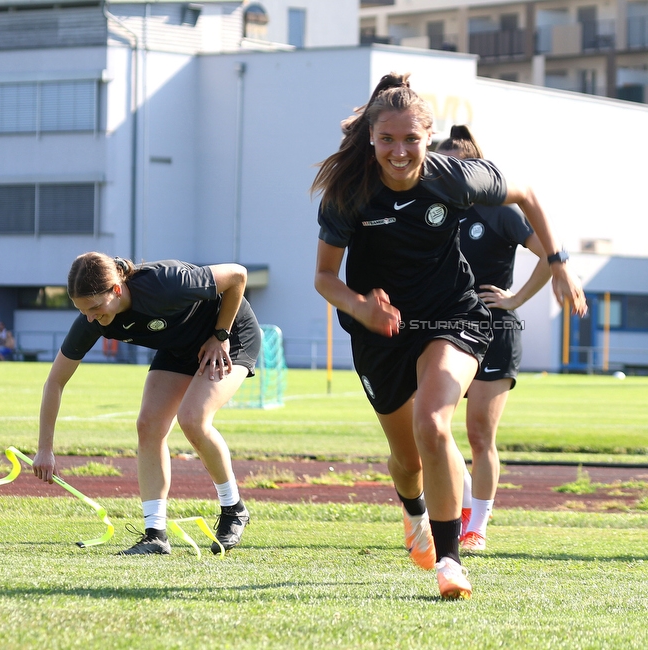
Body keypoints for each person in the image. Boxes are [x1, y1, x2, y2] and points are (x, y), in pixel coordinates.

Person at [312, 73, 586, 599]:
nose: (399, 151)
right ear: (371, 138)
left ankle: (450, 562)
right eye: (387, 139)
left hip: (452, 316)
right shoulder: (348, 194)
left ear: (428, 136)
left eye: (411, 139)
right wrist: (360, 307)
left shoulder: (454, 178)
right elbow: (324, 276)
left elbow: (526, 192)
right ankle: (413, 512)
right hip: (382, 331)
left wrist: (558, 263)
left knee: (433, 424)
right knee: (406, 458)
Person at [31, 253, 260, 556]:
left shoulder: (165, 284)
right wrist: (45, 448)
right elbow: (55, 382)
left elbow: (237, 276)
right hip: (179, 346)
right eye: (82, 310)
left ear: (116, 289)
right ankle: (155, 535)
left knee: (193, 418)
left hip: (229, 336)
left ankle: (233, 509)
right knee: (148, 425)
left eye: (95, 307)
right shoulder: (94, 318)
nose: (90, 317)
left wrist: (220, 335)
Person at [436, 125, 554, 552]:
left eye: (457, 165)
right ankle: (464, 503)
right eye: (442, 165)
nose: (448, 173)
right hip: (444, 331)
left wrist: (516, 298)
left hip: (495, 331)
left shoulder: (499, 210)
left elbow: (549, 256)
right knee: (430, 427)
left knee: (480, 435)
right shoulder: (434, 208)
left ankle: (477, 525)